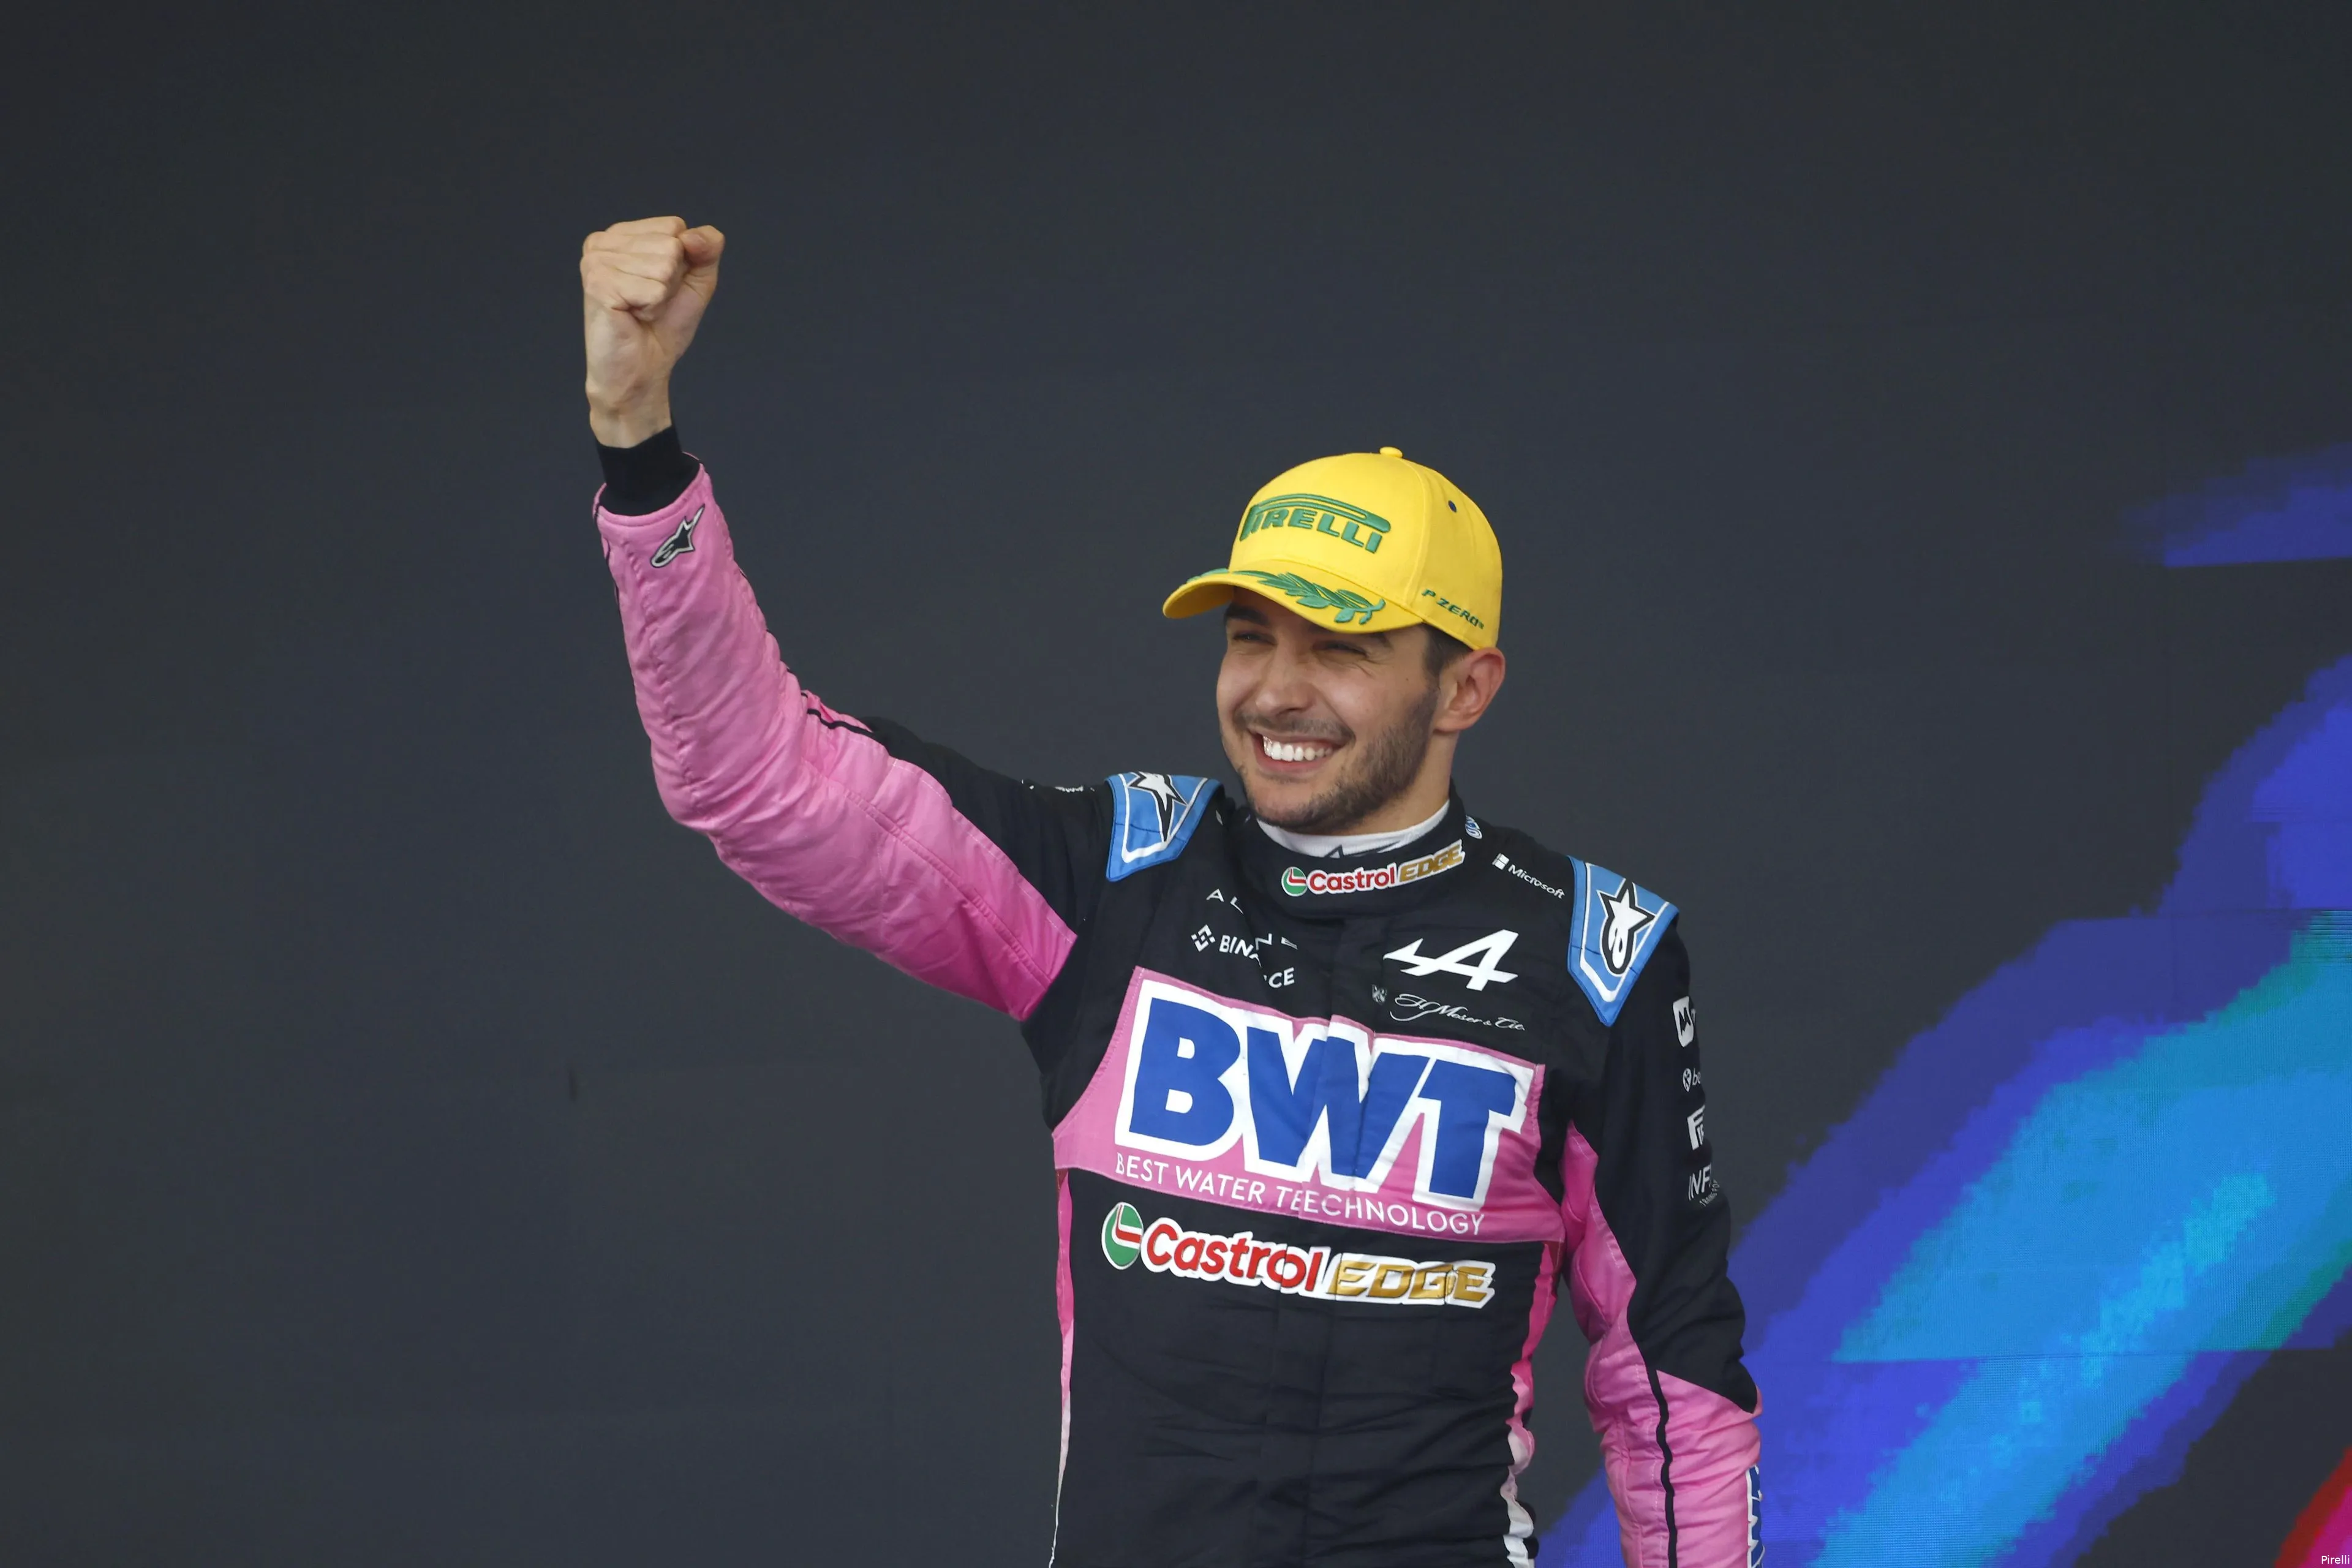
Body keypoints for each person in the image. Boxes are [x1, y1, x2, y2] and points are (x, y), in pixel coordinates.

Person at [580, 214, 1763, 1568]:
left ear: (1466, 685)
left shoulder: (1595, 952)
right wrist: (639, 440)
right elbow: (757, 778)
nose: (1275, 690)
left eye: (1343, 647)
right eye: (1252, 635)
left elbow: (1669, 1368)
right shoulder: (1111, 879)